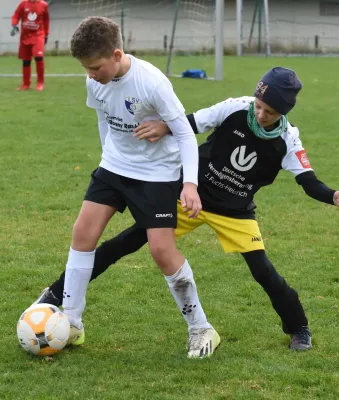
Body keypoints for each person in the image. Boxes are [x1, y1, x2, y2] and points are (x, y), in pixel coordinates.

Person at [34, 67, 339, 351]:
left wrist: (332, 195)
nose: (260, 114)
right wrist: (164, 127)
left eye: (269, 111)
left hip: (235, 212)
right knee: (126, 242)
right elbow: (191, 123)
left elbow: (308, 182)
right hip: (191, 198)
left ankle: (299, 328)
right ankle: (56, 294)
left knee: (263, 271)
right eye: (258, 105)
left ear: (283, 112)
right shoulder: (235, 108)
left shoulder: (288, 140)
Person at [57, 16, 220, 359]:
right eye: (86, 68)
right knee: (82, 232)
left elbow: (187, 135)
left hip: (158, 174)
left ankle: (201, 327)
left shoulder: (152, 83)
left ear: (117, 54)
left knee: (162, 252)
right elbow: (104, 119)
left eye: (95, 67)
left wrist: (189, 185)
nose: (90, 75)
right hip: (115, 167)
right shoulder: (95, 83)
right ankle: (71, 322)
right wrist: (108, 160)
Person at [11, 0, 49, 91]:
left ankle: (40, 83)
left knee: (38, 57)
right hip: (25, 37)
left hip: (38, 35)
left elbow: (46, 20)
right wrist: (14, 25)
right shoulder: (23, 4)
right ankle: (26, 84)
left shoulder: (43, 5)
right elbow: (16, 15)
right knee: (26, 60)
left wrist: (46, 33)